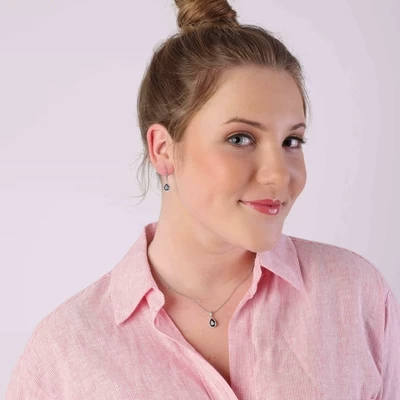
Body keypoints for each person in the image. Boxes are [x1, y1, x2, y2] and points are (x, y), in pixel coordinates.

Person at [6, 0, 400, 399]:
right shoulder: (64, 355)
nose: (280, 174)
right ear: (163, 149)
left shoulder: (356, 297)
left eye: (291, 141)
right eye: (240, 138)